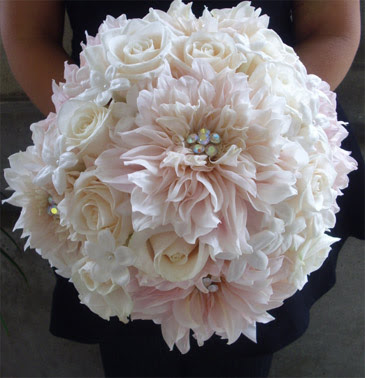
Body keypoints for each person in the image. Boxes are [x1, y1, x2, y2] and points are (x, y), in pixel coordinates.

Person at [1, 1, 363, 377]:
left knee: (239, 354)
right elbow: (28, 35)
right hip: (107, 174)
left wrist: (273, 115)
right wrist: (99, 135)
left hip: (265, 166)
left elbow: (332, 30)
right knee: (132, 352)